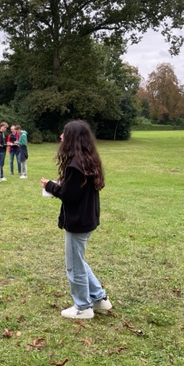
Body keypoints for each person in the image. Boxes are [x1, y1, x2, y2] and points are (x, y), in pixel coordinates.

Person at [41, 120, 111, 320]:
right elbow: (75, 190)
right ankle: (99, 298)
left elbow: (69, 195)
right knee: (78, 260)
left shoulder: (75, 164)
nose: (61, 137)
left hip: (78, 221)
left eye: (64, 133)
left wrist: (50, 186)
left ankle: (83, 306)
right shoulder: (88, 160)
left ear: (72, 138)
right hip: (87, 218)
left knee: (74, 265)